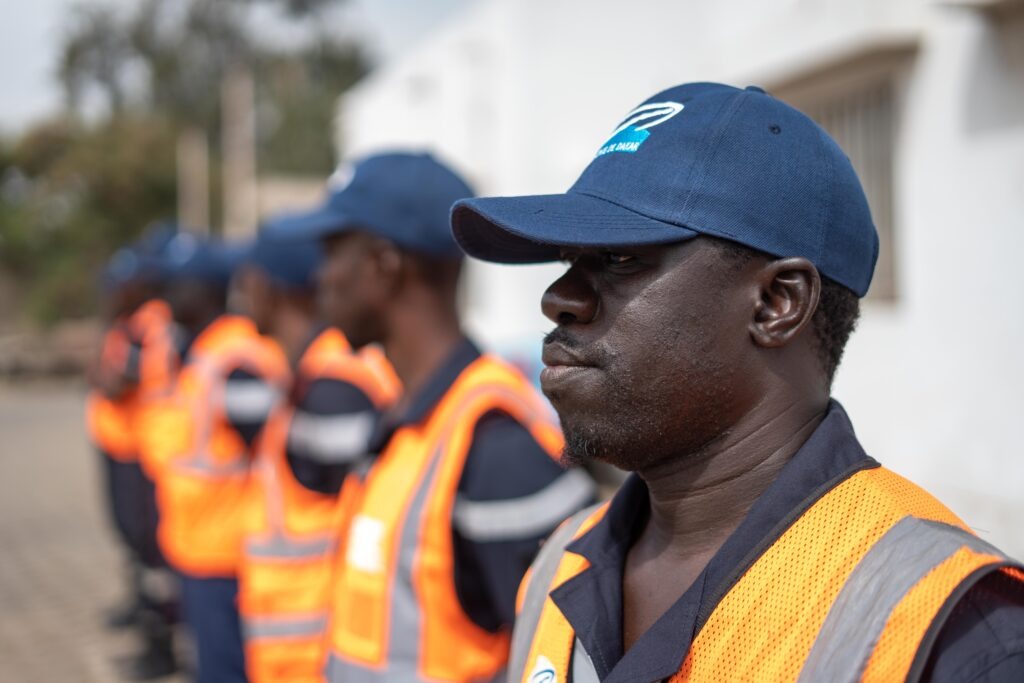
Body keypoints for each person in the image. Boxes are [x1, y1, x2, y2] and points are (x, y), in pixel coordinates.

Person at [451, 82, 1024, 682]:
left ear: (777, 303)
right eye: (570, 260)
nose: (558, 297)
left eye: (620, 259)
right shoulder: (559, 565)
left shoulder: (952, 632)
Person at [276, 151, 596, 682]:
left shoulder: (494, 446)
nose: (319, 277)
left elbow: (566, 654)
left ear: (384, 265)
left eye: (333, 251)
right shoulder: (409, 419)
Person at [235, 224, 400, 683]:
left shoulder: (332, 387)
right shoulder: (317, 373)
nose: (241, 293)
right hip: (301, 647)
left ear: (270, 289)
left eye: (246, 280)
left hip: (317, 651)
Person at [145, 232, 289, 683]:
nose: (166, 297)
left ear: (206, 291)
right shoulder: (202, 349)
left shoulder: (237, 360)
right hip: (200, 550)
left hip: (227, 558)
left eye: (177, 286)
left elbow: (271, 457)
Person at [87, 240, 181, 679]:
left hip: (143, 450)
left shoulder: (150, 325)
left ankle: (159, 638)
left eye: (121, 285)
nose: (114, 293)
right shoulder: (128, 324)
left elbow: (117, 381)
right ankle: (145, 614)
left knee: (150, 546)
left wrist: (103, 376)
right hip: (122, 444)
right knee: (133, 541)